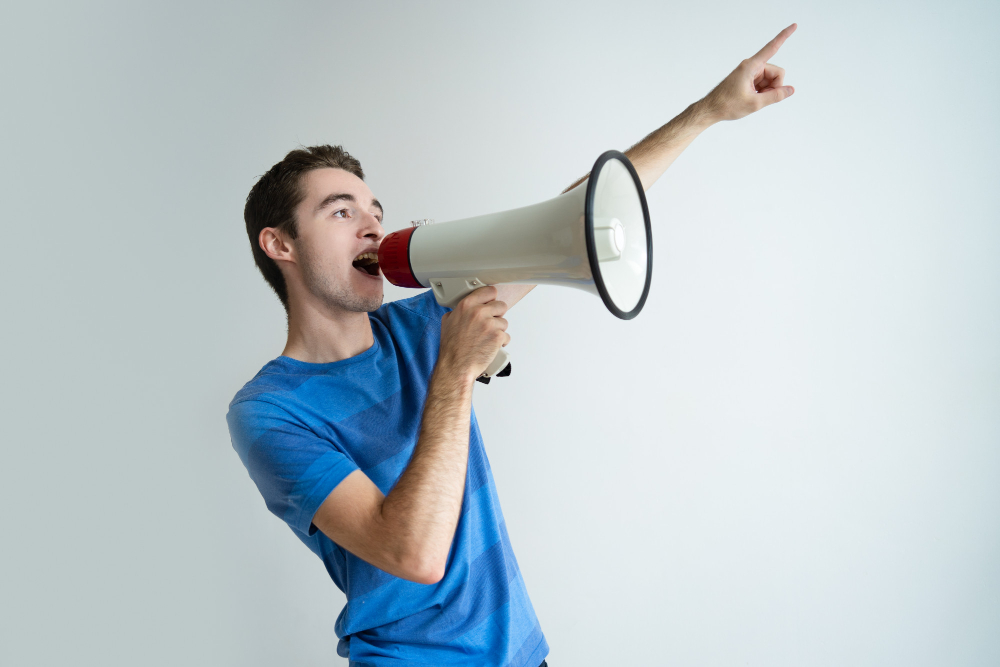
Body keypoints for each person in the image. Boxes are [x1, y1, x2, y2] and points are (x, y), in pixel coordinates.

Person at [227, 24, 796, 667]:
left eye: (375, 209)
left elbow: (578, 216)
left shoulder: (422, 325)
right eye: (340, 211)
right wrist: (455, 371)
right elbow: (410, 551)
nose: (372, 225)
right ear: (279, 245)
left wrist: (708, 113)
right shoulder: (269, 410)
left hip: (522, 653)